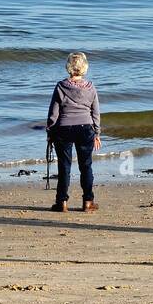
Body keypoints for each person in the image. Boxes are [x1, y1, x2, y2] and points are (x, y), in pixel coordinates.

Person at [45, 52, 101, 212]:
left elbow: (53, 114)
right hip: (85, 129)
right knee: (86, 166)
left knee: (64, 166)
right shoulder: (90, 87)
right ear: (85, 67)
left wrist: (50, 132)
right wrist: (96, 133)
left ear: (68, 67)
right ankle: (88, 202)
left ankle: (62, 202)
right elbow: (95, 112)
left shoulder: (61, 86)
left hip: (64, 129)